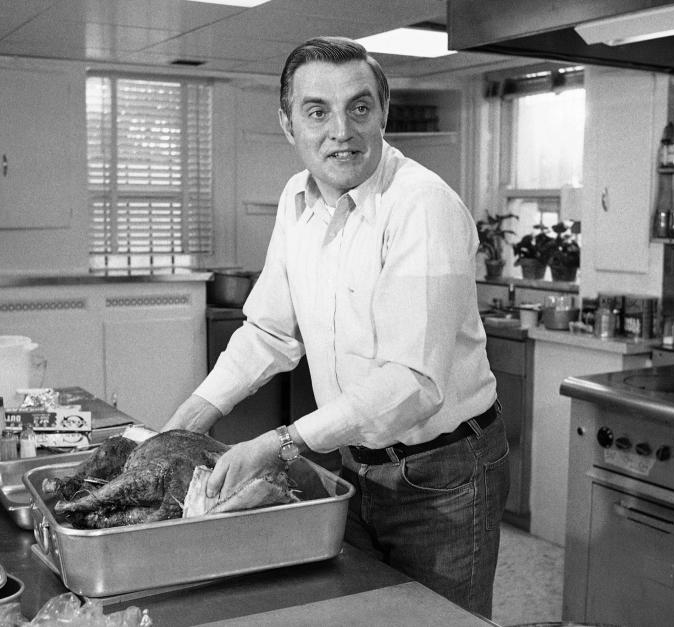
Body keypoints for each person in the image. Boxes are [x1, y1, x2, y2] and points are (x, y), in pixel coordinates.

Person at [164, 35, 510, 617]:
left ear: (382, 113)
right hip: (357, 463)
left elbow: (412, 383)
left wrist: (279, 443)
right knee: (360, 615)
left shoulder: (421, 206)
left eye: (359, 107)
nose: (341, 131)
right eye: (317, 111)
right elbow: (269, 331)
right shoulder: (296, 201)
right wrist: (190, 419)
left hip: (444, 473)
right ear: (287, 123)